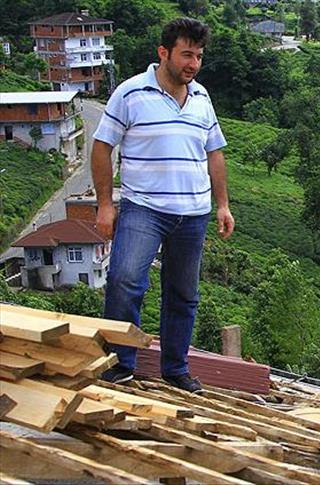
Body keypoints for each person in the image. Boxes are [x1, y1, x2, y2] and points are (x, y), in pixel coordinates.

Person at [91, 17, 233, 393]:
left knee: (183, 294)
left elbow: (215, 153)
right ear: (164, 53)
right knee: (125, 281)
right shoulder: (130, 93)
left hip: (193, 213)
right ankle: (119, 364)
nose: (193, 64)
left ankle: (175, 368)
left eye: (199, 56)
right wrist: (105, 205)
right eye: (186, 55)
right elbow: (102, 147)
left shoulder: (202, 98)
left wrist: (222, 205)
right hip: (144, 209)